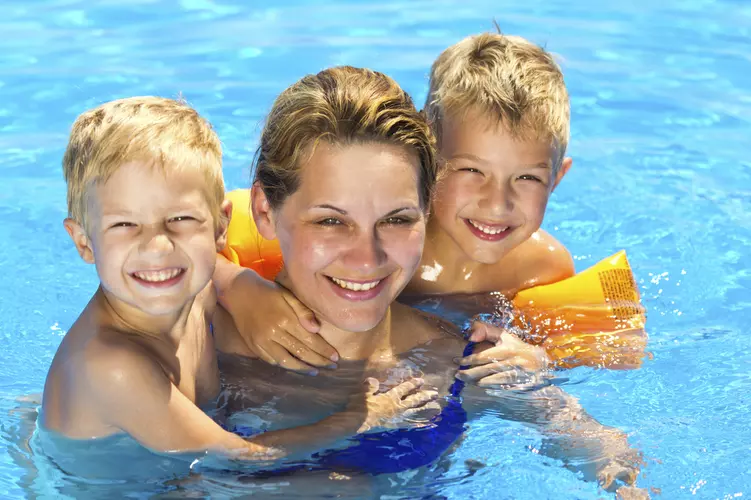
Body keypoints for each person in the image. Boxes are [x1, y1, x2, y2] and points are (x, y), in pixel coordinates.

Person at [210, 66, 646, 496]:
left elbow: (601, 449)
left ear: (427, 209)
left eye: (397, 219)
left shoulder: (461, 365)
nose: (367, 258)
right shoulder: (196, 346)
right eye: (330, 221)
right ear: (265, 212)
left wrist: (620, 476)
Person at [212, 31, 640, 374]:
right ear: (430, 159)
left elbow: (596, 356)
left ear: (557, 178)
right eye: (472, 171)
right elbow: (187, 243)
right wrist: (239, 288)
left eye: (527, 178)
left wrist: (539, 361)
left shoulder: (541, 269)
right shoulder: (335, 220)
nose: (497, 204)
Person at [40, 96, 437, 465]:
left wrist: (244, 286)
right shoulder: (112, 367)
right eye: (125, 225)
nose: (158, 247)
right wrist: (360, 419)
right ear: (83, 241)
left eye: (180, 220)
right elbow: (237, 456)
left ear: (220, 226)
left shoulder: (192, 294)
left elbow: (217, 275)